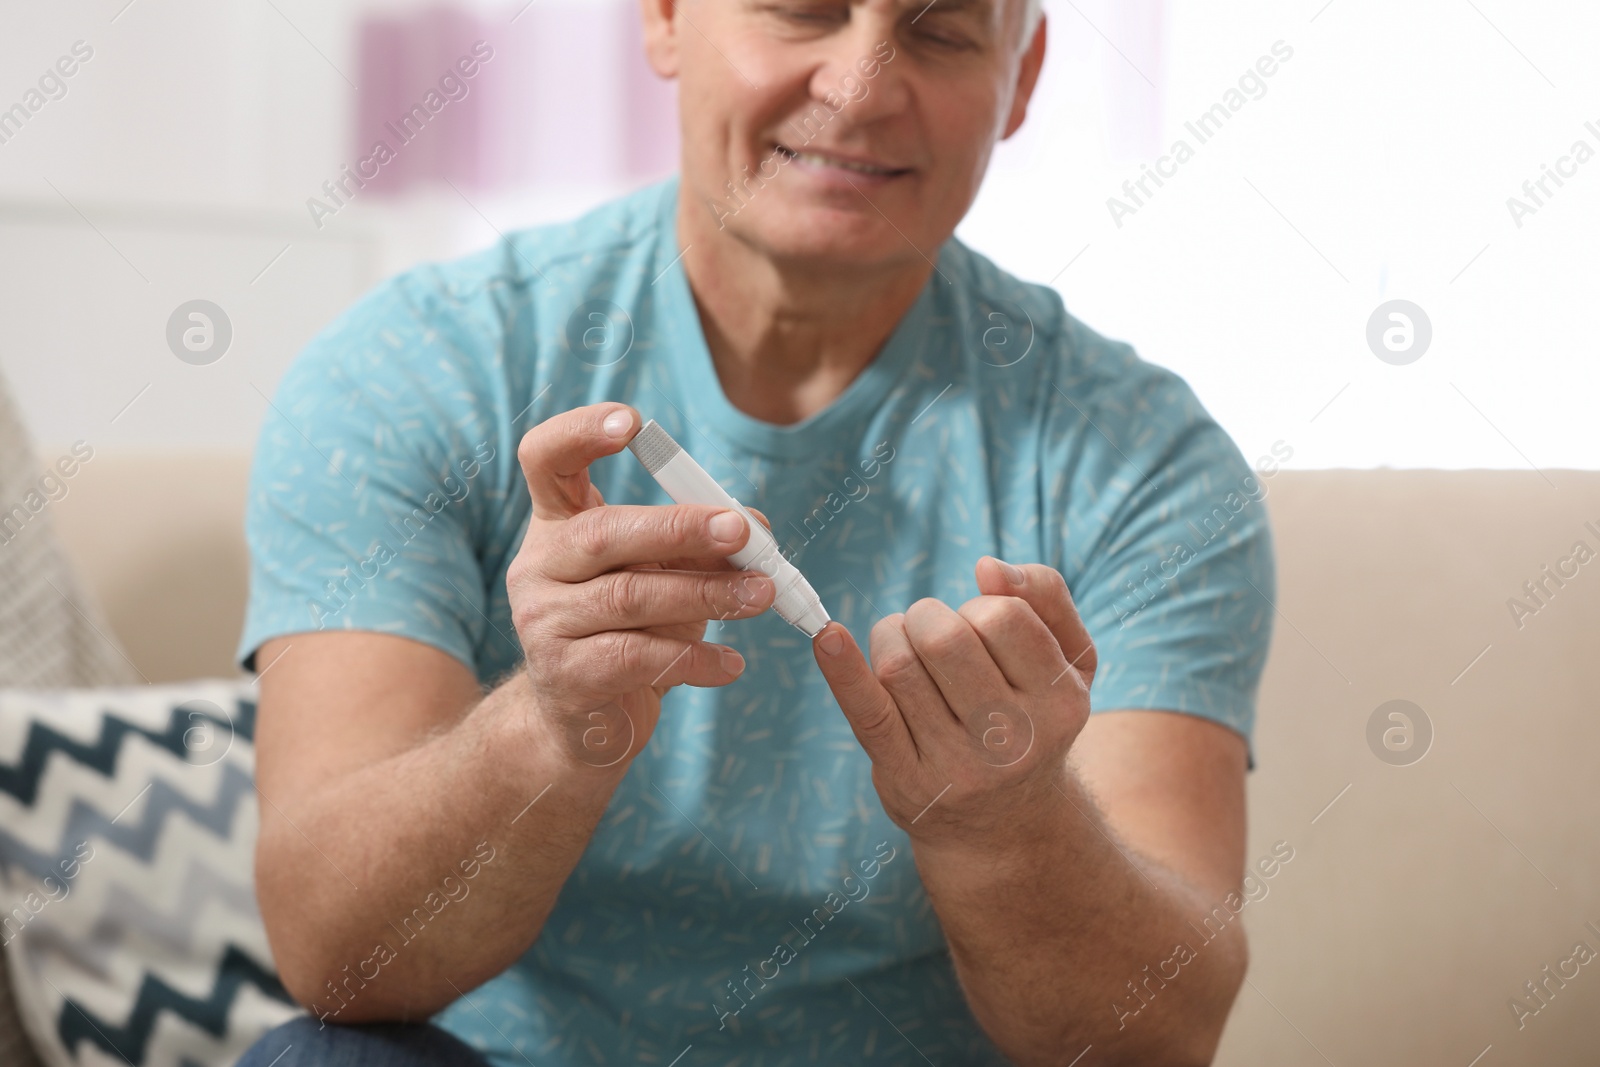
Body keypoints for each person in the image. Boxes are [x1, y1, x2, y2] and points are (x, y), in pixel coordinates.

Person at [236, 0, 1275, 1061]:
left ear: (1023, 74)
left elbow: (1165, 1035)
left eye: (940, 28)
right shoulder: (417, 368)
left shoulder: (1142, 458)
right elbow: (333, 953)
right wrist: (547, 728)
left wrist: (1008, 828)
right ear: (668, 18)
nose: (859, 85)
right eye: (803, 8)